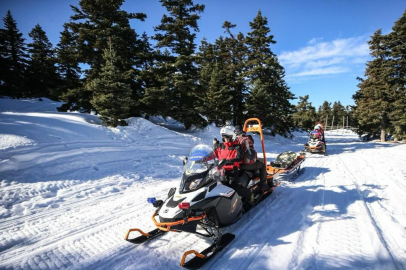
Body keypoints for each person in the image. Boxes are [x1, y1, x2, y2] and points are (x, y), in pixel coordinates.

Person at [213, 126, 254, 203]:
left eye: (228, 137)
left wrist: (227, 161)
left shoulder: (237, 147)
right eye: (224, 137)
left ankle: (249, 195)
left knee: (234, 187)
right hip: (221, 170)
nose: (226, 138)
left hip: (232, 170)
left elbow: (239, 158)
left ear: (232, 137)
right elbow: (212, 155)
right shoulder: (220, 146)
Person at [234, 126, 272, 193]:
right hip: (245, 164)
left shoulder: (234, 140)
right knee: (262, 165)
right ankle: (263, 185)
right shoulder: (247, 137)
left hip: (237, 165)